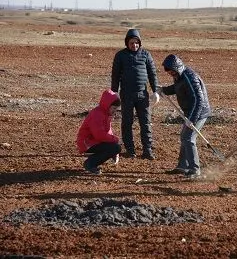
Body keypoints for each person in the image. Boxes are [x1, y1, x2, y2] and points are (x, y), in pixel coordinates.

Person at [111, 28, 160, 160]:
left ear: (140, 43)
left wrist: (155, 91)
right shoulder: (120, 55)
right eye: (132, 43)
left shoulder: (146, 55)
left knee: (145, 123)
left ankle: (147, 150)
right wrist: (114, 92)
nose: (134, 45)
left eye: (137, 42)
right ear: (127, 43)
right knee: (127, 122)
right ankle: (130, 150)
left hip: (142, 95)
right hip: (126, 95)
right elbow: (115, 75)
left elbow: (152, 74)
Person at [159, 54, 211, 179]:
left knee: (188, 138)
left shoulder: (190, 77)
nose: (171, 74)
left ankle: (194, 170)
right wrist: (164, 90)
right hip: (190, 112)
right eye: (169, 72)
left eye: (172, 71)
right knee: (184, 137)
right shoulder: (179, 76)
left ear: (177, 67)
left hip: (199, 112)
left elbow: (198, 100)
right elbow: (178, 88)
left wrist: (192, 119)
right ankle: (182, 166)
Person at [76, 89, 122, 175]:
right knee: (115, 147)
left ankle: (92, 162)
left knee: (115, 147)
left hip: (92, 141)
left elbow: (108, 131)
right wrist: (114, 140)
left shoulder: (105, 113)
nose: (115, 111)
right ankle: (90, 163)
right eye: (114, 108)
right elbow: (99, 135)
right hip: (87, 143)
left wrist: (114, 142)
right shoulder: (97, 114)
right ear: (108, 105)